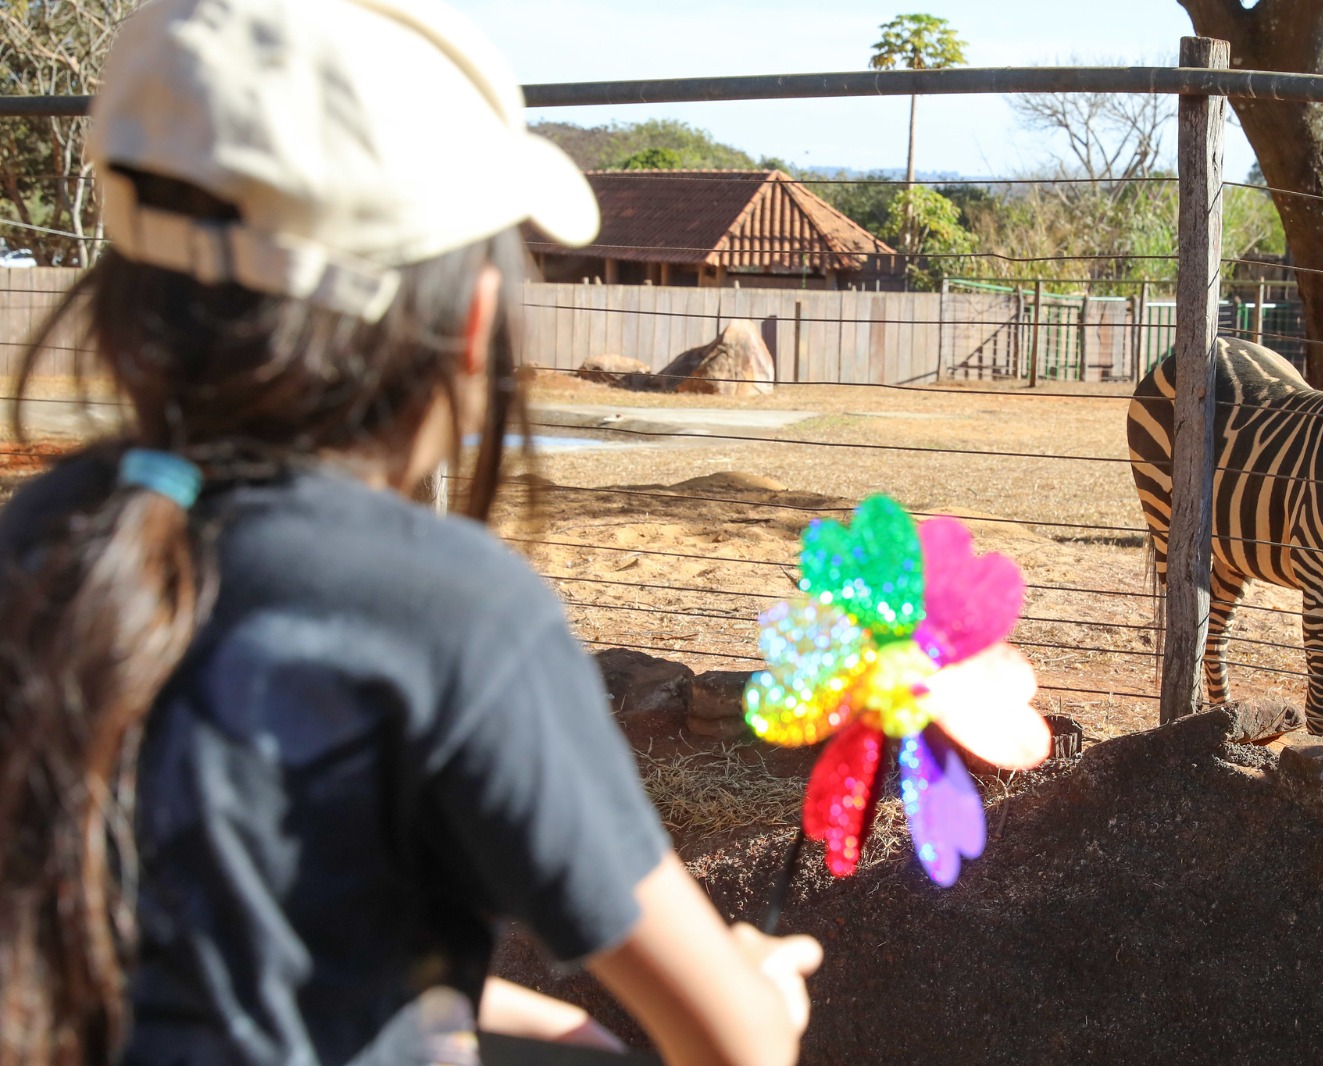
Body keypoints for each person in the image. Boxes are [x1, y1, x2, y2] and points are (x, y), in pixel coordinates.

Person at [0, 1, 822, 1064]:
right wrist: (764, 994)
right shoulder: (457, 613)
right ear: (470, 323)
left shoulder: (45, 536)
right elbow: (732, 1040)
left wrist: (545, 1022)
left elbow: (235, 963)